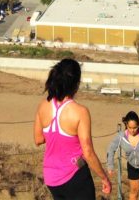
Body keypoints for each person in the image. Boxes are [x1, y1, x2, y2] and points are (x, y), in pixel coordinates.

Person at [33, 58, 112, 199]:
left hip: (51, 178)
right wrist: (104, 178)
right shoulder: (80, 111)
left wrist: (57, 135)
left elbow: (38, 139)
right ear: (76, 83)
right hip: (74, 176)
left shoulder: (43, 105)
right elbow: (88, 152)